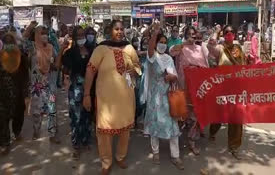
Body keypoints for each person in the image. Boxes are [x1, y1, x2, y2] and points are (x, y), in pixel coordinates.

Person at [82, 20, 141, 175]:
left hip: (126, 98)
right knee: (104, 131)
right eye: (116, 29)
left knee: (125, 130)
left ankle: (120, 157)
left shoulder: (129, 47)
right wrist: (87, 94)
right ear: (110, 30)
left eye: (122, 29)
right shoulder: (101, 48)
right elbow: (90, 71)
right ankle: (106, 162)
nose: (119, 32)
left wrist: (135, 71)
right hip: (105, 100)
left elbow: (137, 65)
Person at [144, 23, 184, 170]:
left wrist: (171, 77)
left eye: (164, 43)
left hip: (168, 96)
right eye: (160, 42)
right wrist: (155, 32)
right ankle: (155, 152)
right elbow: (149, 48)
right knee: (155, 124)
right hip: (155, 97)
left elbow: (175, 75)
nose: (162, 45)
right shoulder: (152, 56)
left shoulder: (168, 58)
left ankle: (175, 155)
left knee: (172, 125)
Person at [56, 26, 94, 160]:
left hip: (90, 89)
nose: (81, 38)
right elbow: (58, 65)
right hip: (76, 90)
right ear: (74, 38)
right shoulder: (70, 53)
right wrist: (62, 48)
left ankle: (86, 140)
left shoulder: (92, 50)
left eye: (83, 35)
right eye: (78, 36)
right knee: (76, 117)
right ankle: (76, 145)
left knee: (87, 116)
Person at [170, 26, 209, 155]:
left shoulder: (200, 48)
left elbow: (206, 65)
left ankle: (192, 141)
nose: (192, 36)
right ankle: (180, 136)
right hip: (184, 84)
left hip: (198, 85)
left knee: (195, 113)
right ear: (185, 35)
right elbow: (171, 52)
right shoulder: (181, 47)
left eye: (194, 34)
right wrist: (184, 44)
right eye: (189, 34)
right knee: (184, 113)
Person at [209, 25, 246, 160]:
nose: (229, 34)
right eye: (227, 32)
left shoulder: (239, 48)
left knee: (236, 118)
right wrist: (216, 32)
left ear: (235, 34)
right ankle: (213, 131)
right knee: (219, 115)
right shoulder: (220, 48)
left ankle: (234, 146)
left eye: (232, 32)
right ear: (223, 35)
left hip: (237, 88)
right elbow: (210, 46)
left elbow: (244, 65)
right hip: (223, 88)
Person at [23, 23, 60, 144]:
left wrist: (55, 64)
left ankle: (52, 134)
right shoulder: (32, 47)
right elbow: (22, 40)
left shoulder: (50, 47)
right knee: (36, 111)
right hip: (36, 86)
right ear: (37, 35)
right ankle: (36, 130)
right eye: (41, 33)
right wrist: (29, 28)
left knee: (52, 109)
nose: (44, 36)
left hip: (49, 83)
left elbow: (55, 64)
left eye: (45, 33)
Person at [2, 33, 30, 141]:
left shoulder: (21, 56)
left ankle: (17, 132)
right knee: (3, 116)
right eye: (7, 43)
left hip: (18, 90)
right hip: (3, 91)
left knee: (19, 112)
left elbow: (26, 71)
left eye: (11, 43)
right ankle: (5, 140)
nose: (9, 45)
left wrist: (26, 91)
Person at [0, 34, 20, 155]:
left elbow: (15, 71)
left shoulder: (13, 54)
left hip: (7, 90)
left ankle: (5, 142)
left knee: (3, 117)